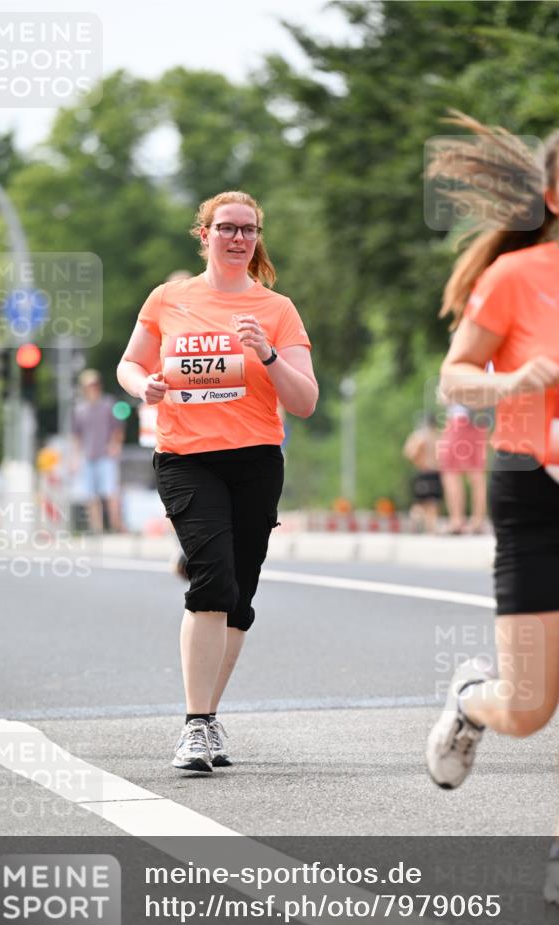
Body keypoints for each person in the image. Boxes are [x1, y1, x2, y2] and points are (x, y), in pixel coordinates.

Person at [424, 114, 559, 908]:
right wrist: (507, 386)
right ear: (551, 195)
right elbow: (454, 377)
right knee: (531, 707)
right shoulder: (516, 277)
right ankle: (472, 701)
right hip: (533, 488)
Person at [117, 191, 318, 774]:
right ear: (203, 234)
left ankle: (209, 717)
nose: (238, 238)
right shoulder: (169, 298)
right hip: (187, 458)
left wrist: (270, 355)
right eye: (227, 228)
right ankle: (196, 724)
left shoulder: (277, 310)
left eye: (248, 230)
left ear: (257, 238)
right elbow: (130, 363)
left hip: (256, 460)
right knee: (211, 578)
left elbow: (304, 402)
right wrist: (143, 387)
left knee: (238, 598)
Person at [72, 369, 124, 533]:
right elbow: (76, 435)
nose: (93, 388)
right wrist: (75, 456)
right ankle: (97, 528)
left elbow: (118, 428)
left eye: (95, 384)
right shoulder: (80, 409)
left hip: (106, 455)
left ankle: (115, 525)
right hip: (88, 456)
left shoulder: (109, 404)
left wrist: (115, 445)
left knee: (111, 493)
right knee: (90, 495)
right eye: (89, 385)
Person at [438, 403, 489, 533]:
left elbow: (444, 396)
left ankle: (457, 521)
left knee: (451, 473)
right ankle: (478, 521)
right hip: (479, 421)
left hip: (459, 421)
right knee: (477, 473)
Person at [402, 413, 443, 533]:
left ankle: (429, 528)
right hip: (425, 472)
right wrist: (419, 458)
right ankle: (423, 526)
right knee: (425, 503)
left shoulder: (435, 435)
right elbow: (409, 452)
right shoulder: (421, 436)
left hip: (433, 472)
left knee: (430, 503)